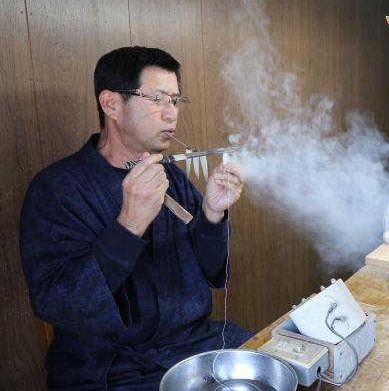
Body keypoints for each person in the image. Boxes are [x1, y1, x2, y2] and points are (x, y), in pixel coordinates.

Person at [20, 46, 252, 391]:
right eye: (157, 99)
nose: (171, 114)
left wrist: (212, 214)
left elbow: (212, 270)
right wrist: (129, 224)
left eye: (175, 100)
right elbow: (58, 302)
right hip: (113, 369)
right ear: (111, 104)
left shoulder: (172, 177)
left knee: (280, 365)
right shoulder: (56, 189)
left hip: (195, 345)